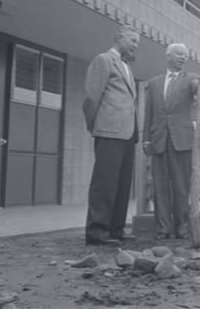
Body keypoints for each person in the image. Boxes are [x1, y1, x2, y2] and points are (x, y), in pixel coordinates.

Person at [82, 25, 140, 245]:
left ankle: (116, 229)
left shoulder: (126, 66)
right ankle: (96, 231)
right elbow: (90, 98)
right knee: (104, 182)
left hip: (126, 133)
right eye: (132, 40)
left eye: (138, 42)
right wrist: (94, 125)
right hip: (108, 130)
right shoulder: (103, 60)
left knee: (122, 183)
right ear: (118, 37)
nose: (135, 45)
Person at [142, 43, 200, 241]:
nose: (184, 57)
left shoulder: (191, 78)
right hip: (159, 139)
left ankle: (182, 228)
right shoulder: (155, 82)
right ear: (168, 56)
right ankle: (162, 229)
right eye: (179, 54)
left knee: (181, 187)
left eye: (186, 55)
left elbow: (196, 90)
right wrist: (146, 139)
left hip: (181, 140)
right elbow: (148, 112)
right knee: (160, 186)